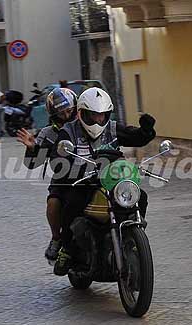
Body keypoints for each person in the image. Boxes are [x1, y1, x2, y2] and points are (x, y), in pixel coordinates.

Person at [50, 87, 156, 276]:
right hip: (84, 182)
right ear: (82, 113)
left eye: (103, 115)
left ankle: (134, 235)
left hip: (112, 181)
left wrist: (147, 131)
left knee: (141, 197)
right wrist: (72, 169)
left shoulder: (113, 128)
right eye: (94, 116)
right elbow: (58, 159)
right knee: (72, 205)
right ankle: (67, 249)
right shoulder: (69, 131)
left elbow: (136, 137)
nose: (99, 120)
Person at [17, 88, 78, 261]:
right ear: (53, 114)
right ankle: (56, 238)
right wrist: (31, 148)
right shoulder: (47, 133)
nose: (66, 116)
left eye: (69, 111)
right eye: (61, 113)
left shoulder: (84, 127)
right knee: (53, 203)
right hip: (64, 178)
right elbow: (33, 164)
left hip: (92, 173)